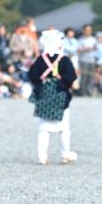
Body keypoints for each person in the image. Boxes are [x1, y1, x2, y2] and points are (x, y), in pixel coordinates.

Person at [28, 30, 77, 165]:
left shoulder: (39, 60)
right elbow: (71, 76)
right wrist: (61, 84)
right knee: (64, 128)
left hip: (44, 94)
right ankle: (65, 155)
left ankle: (41, 157)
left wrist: (41, 84)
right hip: (61, 95)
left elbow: (32, 75)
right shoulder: (64, 60)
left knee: (43, 129)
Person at [77, 24, 97, 96]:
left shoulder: (94, 39)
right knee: (84, 77)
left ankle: (89, 92)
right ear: (84, 31)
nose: (88, 32)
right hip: (83, 60)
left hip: (92, 60)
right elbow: (78, 50)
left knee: (91, 77)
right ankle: (82, 92)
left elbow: (96, 49)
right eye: (87, 30)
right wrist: (87, 49)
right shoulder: (80, 40)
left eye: (90, 30)